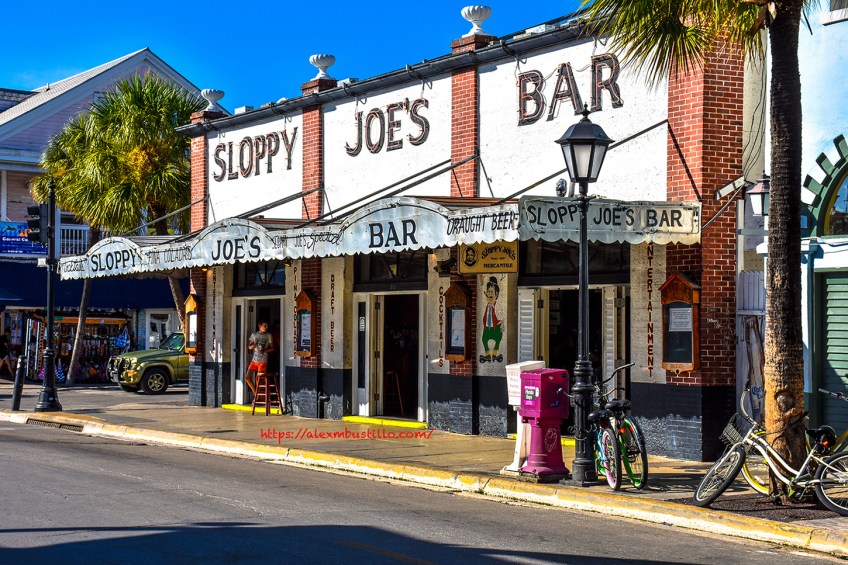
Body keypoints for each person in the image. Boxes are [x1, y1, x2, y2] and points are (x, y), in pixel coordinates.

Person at [244, 321, 274, 394]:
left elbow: (272, 348)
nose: (266, 327)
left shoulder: (269, 335)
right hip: (254, 360)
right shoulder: (254, 335)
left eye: (267, 326)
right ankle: (256, 394)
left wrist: (265, 350)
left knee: (259, 379)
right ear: (259, 326)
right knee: (247, 378)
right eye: (264, 326)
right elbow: (249, 346)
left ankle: (259, 397)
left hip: (263, 360)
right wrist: (252, 346)